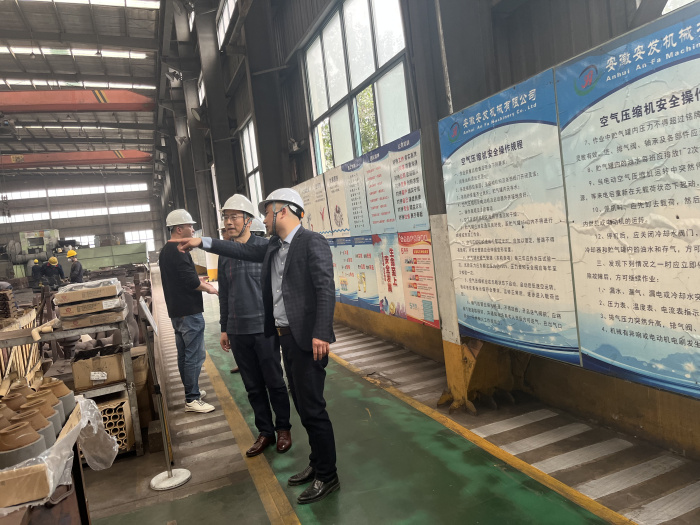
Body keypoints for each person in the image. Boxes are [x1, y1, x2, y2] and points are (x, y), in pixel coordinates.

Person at [174, 188, 339, 504]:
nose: (264, 218)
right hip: (285, 337)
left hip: (307, 340)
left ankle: (328, 476)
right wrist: (201, 242)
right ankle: (317, 463)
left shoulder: (311, 242)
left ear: (284, 211)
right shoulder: (273, 246)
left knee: (313, 409)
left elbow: (325, 288)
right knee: (302, 406)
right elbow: (236, 249)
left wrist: (321, 332)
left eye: (268, 211)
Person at [218, 194, 292, 457]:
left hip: (264, 329)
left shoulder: (265, 248)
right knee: (252, 386)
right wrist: (224, 327)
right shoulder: (224, 253)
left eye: (234, 217)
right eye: (226, 217)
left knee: (274, 381)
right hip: (238, 331)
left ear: (248, 220)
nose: (229, 222)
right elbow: (224, 293)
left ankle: (283, 428)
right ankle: (265, 431)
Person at [160, 209, 218, 414]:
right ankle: (192, 398)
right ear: (179, 229)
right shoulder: (180, 251)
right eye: (190, 226)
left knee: (184, 355)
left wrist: (196, 279)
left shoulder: (165, 251)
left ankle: (191, 391)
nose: (193, 230)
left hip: (176, 311)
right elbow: (191, 282)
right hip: (189, 312)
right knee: (195, 355)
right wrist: (209, 288)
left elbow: (180, 278)